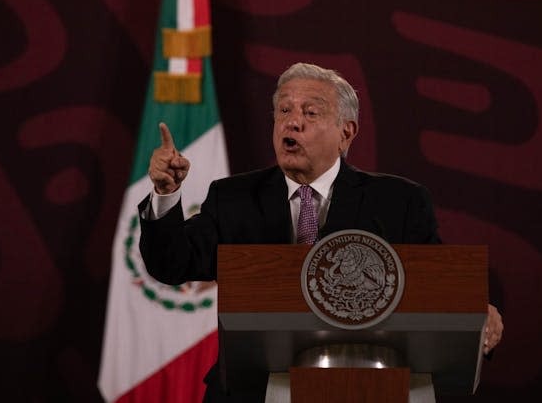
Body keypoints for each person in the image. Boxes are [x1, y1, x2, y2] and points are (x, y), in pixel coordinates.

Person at [139, 62, 503, 402]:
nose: (292, 123)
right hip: (252, 391)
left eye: (310, 113)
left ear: (346, 133)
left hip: (369, 388)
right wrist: (166, 194)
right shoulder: (233, 197)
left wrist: (474, 311)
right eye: (284, 111)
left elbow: (437, 289)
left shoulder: (399, 201)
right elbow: (171, 263)